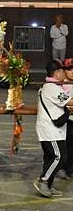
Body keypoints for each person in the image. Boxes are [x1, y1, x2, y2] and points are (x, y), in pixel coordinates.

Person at [34, 60, 73, 198]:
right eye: (63, 71)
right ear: (57, 73)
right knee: (60, 157)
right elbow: (70, 102)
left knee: (51, 158)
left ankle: (48, 186)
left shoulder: (53, 86)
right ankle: (43, 181)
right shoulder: (52, 87)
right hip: (50, 130)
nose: (65, 74)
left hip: (54, 129)